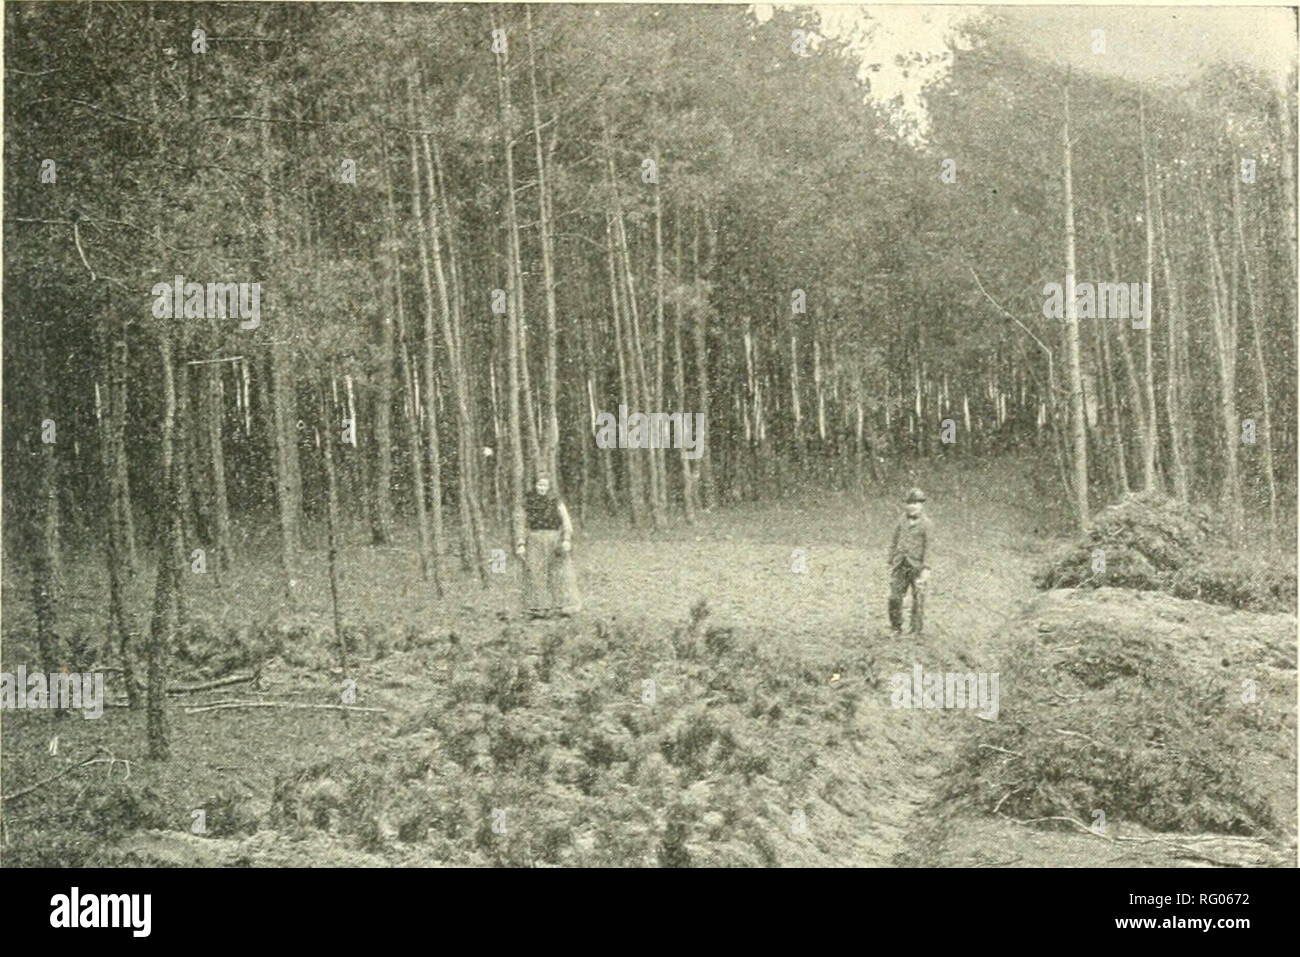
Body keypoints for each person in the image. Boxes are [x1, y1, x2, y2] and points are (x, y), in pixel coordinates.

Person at [516, 475, 581, 618]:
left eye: (545, 485)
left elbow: (566, 521)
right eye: (539, 485)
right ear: (535, 486)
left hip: (554, 539)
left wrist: (566, 539)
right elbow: (520, 523)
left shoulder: (556, 501)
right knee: (535, 572)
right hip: (535, 539)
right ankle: (537, 608)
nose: (542, 488)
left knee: (560, 572)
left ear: (549, 487)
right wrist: (521, 543)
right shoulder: (527, 502)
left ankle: (565, 607)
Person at [887, 487, 932, 638]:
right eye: (909, 503)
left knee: (918, 598)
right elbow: (894, 539)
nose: (912, 506)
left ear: (922, 505)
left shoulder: (927, 524)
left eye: (916, 503)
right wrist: (891, 558)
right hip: (901, 564)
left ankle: (916, 631)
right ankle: (896, 627)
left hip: (917, 565)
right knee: (894, 597)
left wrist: (926, 568)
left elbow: (929, 547)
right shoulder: (901, 520)